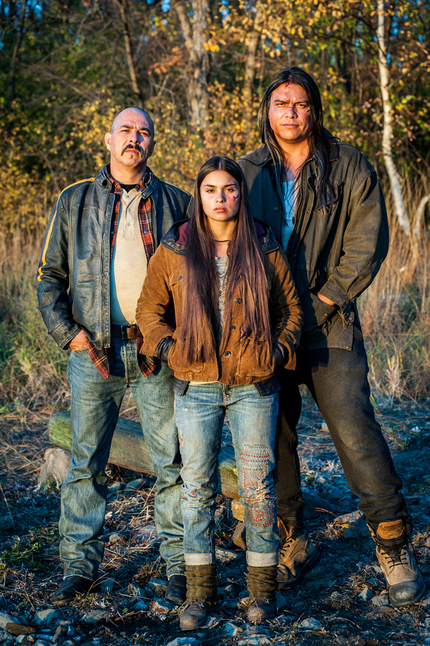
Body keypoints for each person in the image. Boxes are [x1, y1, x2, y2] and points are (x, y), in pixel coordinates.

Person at [238, 67, 426, 608]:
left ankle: (393, 544)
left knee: (354, 429)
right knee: (272, 437)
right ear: (267, 110)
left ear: (314, 110)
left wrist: (323, 301)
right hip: (266, 329)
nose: (290, 112)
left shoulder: (349, 165)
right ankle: (292, 538)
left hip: (329, 324)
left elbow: (367, 244)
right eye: (281, 103)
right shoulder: (246, 171)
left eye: (300, 103)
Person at [136, 156, 303, 628]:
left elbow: (292, 309)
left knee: (257, 488)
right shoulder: (177, 245)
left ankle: (262, 592)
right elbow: (148, 309)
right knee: (196, 488)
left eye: (229, 189)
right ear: (199, 194)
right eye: (211, 190)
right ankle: (199, 593)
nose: (221, 198)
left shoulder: (263, 242)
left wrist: (276, 351)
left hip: (254, 386)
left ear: (240, 194)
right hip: (196, 386)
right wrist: (170, 348)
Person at [37, 107, 191, 604]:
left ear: (152, 143)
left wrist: (178, 338)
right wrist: (68, 333)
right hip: (93, 350)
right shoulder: (75, 199)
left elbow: (197, 278)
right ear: (108, 140)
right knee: (86, 462)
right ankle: (79, 568)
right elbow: (49, 275)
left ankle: (178, 565)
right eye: (126, 130)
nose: (134, 138)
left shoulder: (177, 202)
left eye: (144, 132)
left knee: (172, 462)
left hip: (155, 350)